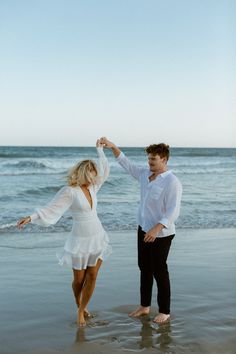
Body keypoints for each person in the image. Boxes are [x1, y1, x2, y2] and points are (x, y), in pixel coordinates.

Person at [17, 141, 111, 327]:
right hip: (79, 239)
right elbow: (52, 209)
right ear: (86, 172)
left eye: (96, 173)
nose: (96, 175)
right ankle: (79, 304)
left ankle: (80, 311)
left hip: (98, 236)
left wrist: (100, 150)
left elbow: (106, 169)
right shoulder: (70, 191)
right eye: (93, 172)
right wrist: (31, 217)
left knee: (92, 275)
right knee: (78, 280)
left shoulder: (93, 187)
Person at [99, 137, 182, 324]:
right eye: (149, 158)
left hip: (161, 233)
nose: (149, 162)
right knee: (144, 268)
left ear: (164, 160)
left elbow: (173, 211)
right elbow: (126, 164)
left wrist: (157, 228)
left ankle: (164, 311)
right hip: (143, 228)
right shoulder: (145, 174)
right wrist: (112, 146)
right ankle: (144, 307)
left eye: (153, 159)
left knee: (159, 270)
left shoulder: (172, 182)